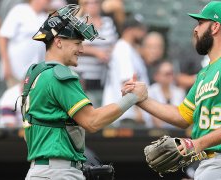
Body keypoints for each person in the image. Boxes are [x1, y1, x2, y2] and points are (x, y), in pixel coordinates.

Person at [123, 1, 221, 179]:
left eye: (201, 23)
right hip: (213, 162)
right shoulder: (205, 72)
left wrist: (197, 143)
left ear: (215, 26)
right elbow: (183, 116)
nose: (196, 29)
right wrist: (141, 99)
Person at [22, 4, 146, 180]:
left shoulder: (36, 73)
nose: (81, 49)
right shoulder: (59, 75)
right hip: (58, 172)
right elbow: (92, 121)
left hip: (41, 169)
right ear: (58, 42)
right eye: (77, 43)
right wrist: (132, 98)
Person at [102, 15, 149, 127]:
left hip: (127, 113)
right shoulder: (123, 48)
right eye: (140, 29)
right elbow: (128, 83)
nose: (143, 33)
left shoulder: (129, 49)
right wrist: (138, 112)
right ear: (129, 30)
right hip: (126, 115)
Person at [72, 0, 118, 108]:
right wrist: (96, 52)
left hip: (103, 76)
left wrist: (108, 53)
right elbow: (73, 46)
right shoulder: (77, 22)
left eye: (95, 2)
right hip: (82, 76)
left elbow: (114, 43)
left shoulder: (108, 22)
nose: (92, 5)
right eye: (88, 2)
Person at [0, 0, 50, 87]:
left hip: (35, 72)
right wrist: (5, 64)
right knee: (15, 99)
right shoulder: (19, 10)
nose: (48, 1)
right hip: (15, 70)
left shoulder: (45, 17)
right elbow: (3, 37)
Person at [147, 61, 185, 128]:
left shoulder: (179, 92)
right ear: (156, 76)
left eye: (171, 73)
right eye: (167, 74)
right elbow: (154, 119)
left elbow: (182, 117)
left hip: (177, 132)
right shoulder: (150, 92)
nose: (170, 76)